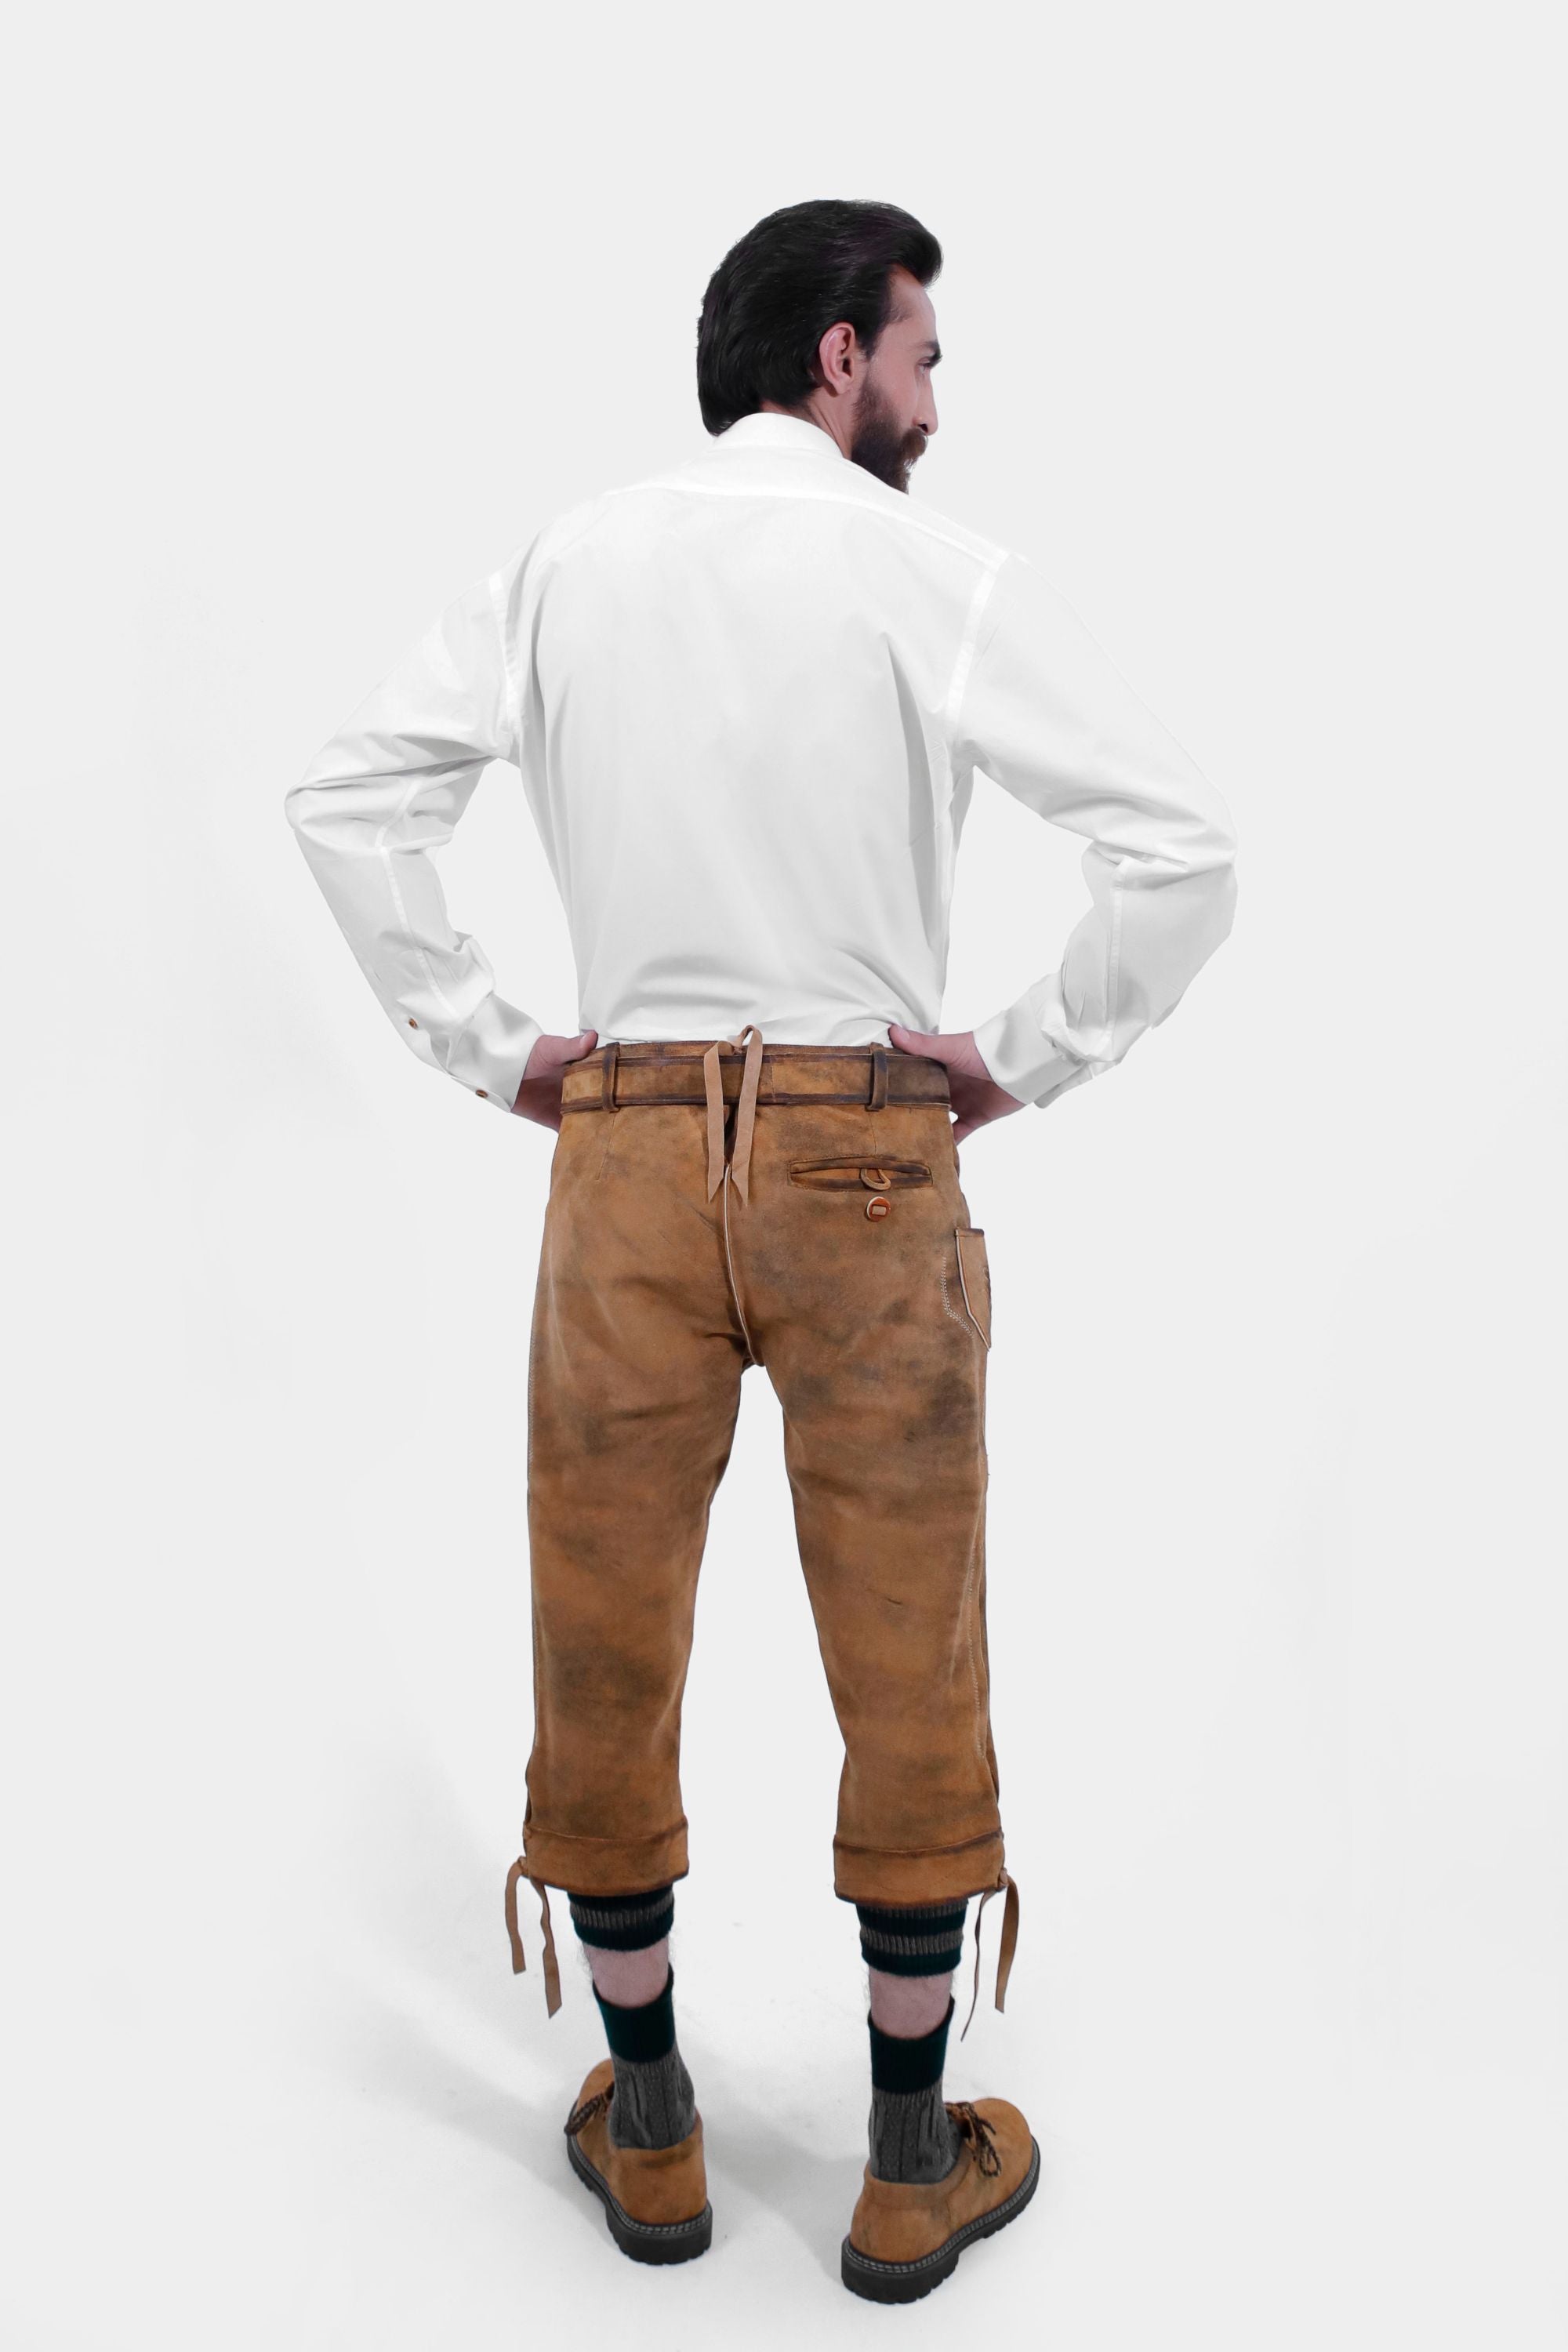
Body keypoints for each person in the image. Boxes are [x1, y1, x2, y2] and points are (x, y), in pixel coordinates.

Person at [284, 198, 1239, 2303]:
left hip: (622, 1146)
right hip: (866, 1161)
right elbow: (1181, 851)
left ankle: (646, 2123)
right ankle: (909, 2157)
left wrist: (487, 1047)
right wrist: (1012, 1059)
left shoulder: (563, 561)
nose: (926, 394)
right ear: (833, 356)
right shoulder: (926, 571)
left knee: (599, 1618)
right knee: (910, 1631)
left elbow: (351, 798)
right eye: (916, 353)